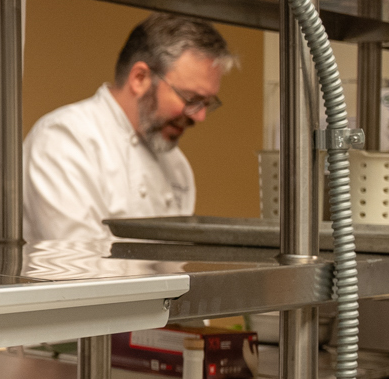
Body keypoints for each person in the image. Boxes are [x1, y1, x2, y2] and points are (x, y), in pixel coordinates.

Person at [23, 14, 234, 249]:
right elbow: (77, 269)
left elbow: (176, 270)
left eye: (206, 103)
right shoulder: (65, 140)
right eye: (191, 99)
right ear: (140, 78)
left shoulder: (176, 166)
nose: (199, 116)